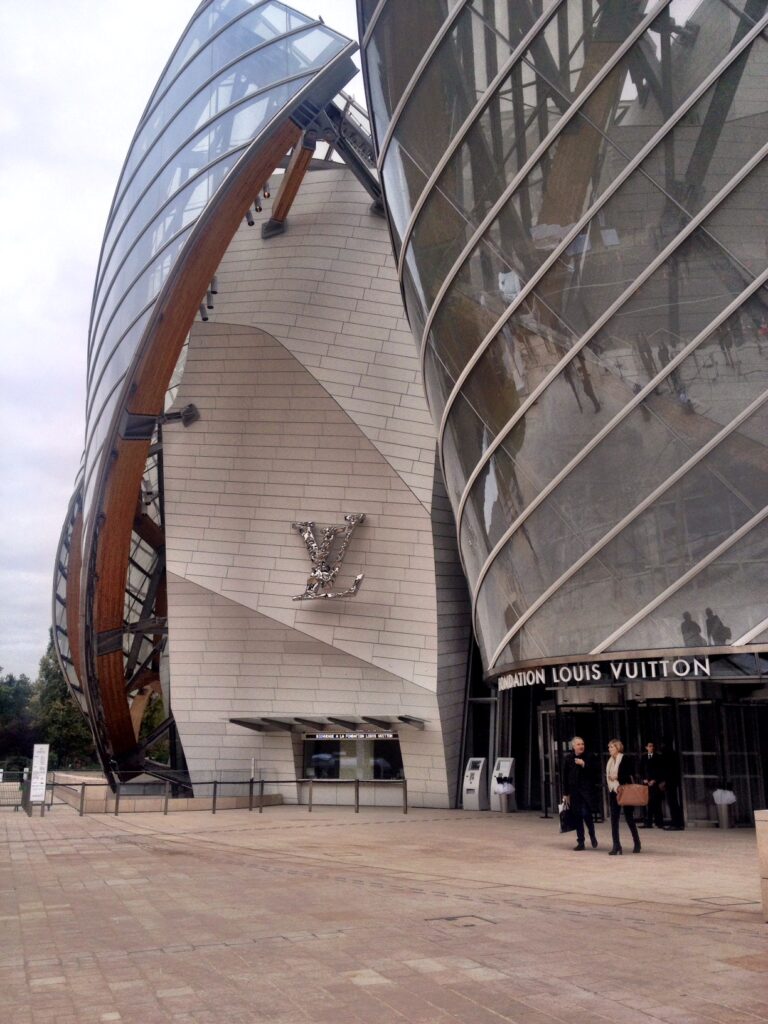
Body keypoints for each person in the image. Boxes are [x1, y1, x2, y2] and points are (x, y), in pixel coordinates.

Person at [562, 736, 599, 851]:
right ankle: (581, 842)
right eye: (578, 744)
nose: (581, 746)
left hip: (586, 792)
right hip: (574, 793)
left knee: (586, 814)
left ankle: (592, 835)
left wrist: (584, 764)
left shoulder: (589, 756)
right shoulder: (568, 758)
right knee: (577, 816)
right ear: (573, 746)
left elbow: (595, 772)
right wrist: (565, 793)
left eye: (582, 744)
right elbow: (565, 777)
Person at [606, 738, 642, 855]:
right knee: (614, 819)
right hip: (613, 791)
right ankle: (616, 845)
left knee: (629, 818)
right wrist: (612, 781)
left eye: (611, 747)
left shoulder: (625, 759)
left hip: (624, 791)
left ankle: (637, 842)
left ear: (617, 748)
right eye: (609, 747)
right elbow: (608, 776)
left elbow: (629, 774)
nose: (609, 749)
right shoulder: (610, 761)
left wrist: (616, 777)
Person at [639, 741, 665, 828]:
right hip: (646, 783)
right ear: (646, 747)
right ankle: (648, 822)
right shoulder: (643, 757)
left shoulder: (658, 757)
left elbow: (660, 770)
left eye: (652, 746)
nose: (651, 748)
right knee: (647, 802)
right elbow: (640, 770)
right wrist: (644, 779)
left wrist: (655, 780)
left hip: (655, 783)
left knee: (657, 803)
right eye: (649, 746)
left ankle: (659, 822)